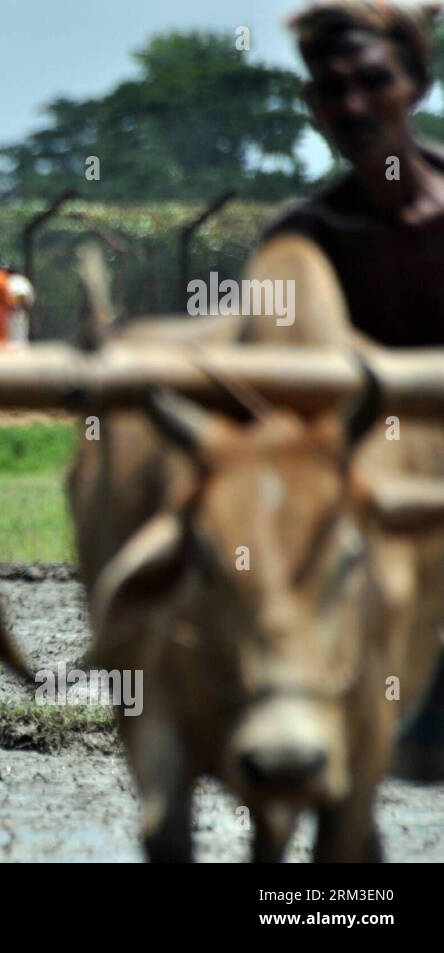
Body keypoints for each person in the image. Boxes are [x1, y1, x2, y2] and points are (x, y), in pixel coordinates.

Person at [243, 0, 444, 779]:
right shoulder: (303, 243)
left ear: (416, 85)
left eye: (372, 81)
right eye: (334, 88)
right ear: (312, 106)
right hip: (365, 504)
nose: (354, 105)